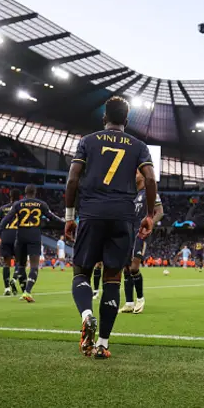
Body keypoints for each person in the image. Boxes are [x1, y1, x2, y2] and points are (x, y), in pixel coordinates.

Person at [64, 96, 157, 359]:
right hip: (122, 216)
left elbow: (73, 179)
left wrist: (70, 216)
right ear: (126, 121)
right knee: (113, 279)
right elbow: (149, 178)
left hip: (91, 213)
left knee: (81, 273)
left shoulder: (88, 141)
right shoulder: (138, 146)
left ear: (104, 118)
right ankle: (103, 344)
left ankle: (86, 314)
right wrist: (149, 215)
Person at [0, 184, 64, 302]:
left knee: (21, 265)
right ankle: (27, 291)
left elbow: (6, 219)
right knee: (34, 266)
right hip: (34, 236)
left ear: (25, 193)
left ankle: (23, 290)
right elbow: (52, 217)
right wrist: (65, 224)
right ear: (35, 192)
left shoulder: (18, 204)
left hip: (21, 236)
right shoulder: (41, 204)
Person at [120, 170, 164, 314]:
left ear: (143, 176)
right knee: (126, 268)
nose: (134, 175)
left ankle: (140, 299)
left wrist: (149, 223)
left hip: (141, 234)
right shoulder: (134, 195)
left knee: (133, 267)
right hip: (128, 233)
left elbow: (160, 212)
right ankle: (129, 303)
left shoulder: (150, 192)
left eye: (137, 173)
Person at [0, 189, 22, 296]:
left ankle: (7, 288)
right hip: (18, 237)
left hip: (5, 237)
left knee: (6, 263)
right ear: (20, 197)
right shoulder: (22, 207)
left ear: (10, 196)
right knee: (20, 262)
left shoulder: (3, 208)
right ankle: (14, 279)